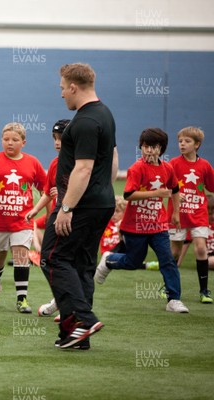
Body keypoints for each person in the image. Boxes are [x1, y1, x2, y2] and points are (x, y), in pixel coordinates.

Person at [40, 63, 117, 350]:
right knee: (82, 265)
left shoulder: (84, 121)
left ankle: (82, 319)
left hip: (81, 206)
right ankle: (75, 335)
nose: (61, 95)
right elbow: (112, 160)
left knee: (52, 257)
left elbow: (83, 169)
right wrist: (104, 192)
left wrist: (66, 208)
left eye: (62, 88)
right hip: (100, 202)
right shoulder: (105, 114)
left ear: (73, 87)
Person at [95, 127, 190, 314]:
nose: (149, 151)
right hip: (134, 226)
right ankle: (109, 260)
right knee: (133, 261)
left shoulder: (167, 168)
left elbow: (175, 190)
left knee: (167, 259)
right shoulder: (136, 168)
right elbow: (128, 195)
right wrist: (158, 193)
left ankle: (174, 299)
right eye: (146, 146)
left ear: (161, 149)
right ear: (141, 147)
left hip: (158, 224)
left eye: (153, 147)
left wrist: (176, 213)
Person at [0, 122, 46, 313]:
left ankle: (22, 299)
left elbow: (45, 188)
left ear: (23, 142)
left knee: (21, 256)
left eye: (14, 140)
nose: (9, 143)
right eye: (6, 139)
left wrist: (41, 208)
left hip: (22, 221)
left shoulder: (32, 162)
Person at [25, 119, 68, 320]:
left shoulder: (82, 164)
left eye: (61, 138)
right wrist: (35, 210)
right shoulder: (54, 163)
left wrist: (61, 193)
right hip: (55, 219)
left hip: (76, 220)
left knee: (72, 264)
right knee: (46, 260)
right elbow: (47, 192)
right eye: (55, 138)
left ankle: (69, 306)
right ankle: (60, 300)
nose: (57, 143)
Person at [168, 126, 214, 303]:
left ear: (197, 145)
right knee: (174, 253)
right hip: (177, 215)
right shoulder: (172, 164)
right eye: (180, 141)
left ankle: (204, 291)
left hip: (199, 214)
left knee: (201, 248)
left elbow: (211, 186)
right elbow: (166, 186)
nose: (182, 144)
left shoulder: (205, 166)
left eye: (187, 141)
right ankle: (169, 286)